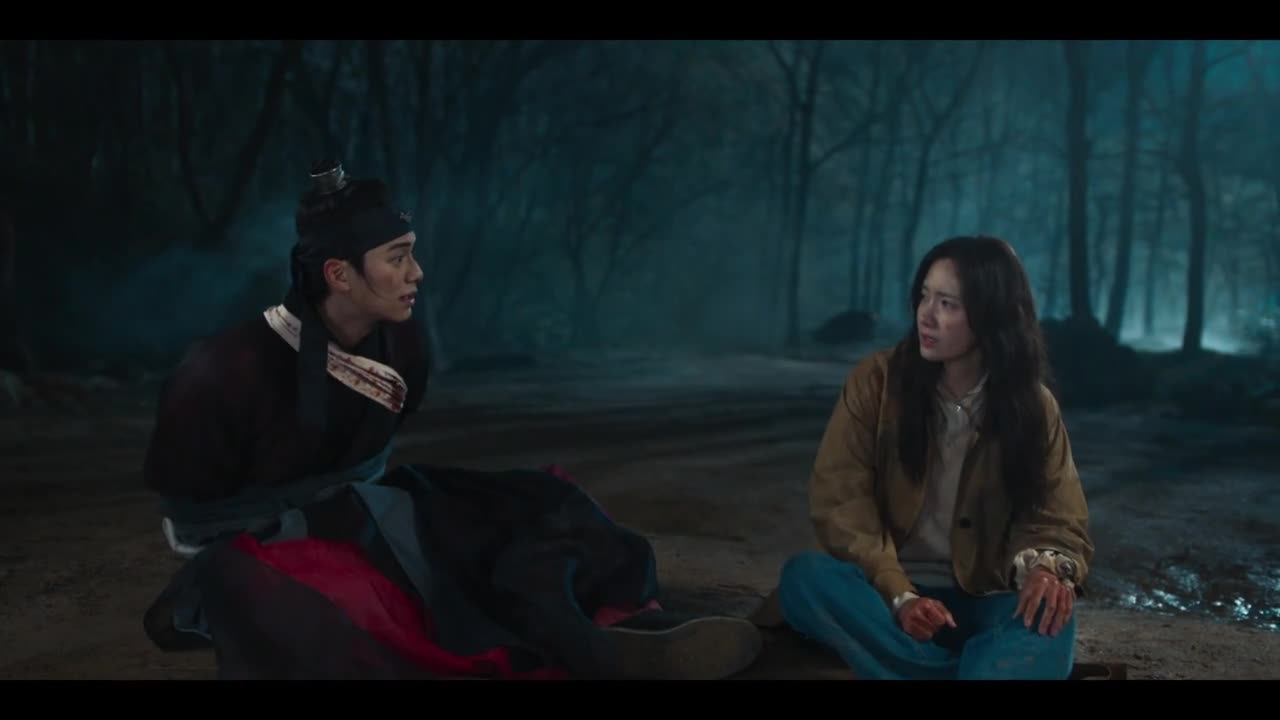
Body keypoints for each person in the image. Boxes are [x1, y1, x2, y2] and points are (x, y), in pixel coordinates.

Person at [140, 160, 762, 680]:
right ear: (339, 274)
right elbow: (193, 522)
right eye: (397, 258)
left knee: (539, 503)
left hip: (370, 506)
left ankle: (617, 624)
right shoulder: (223, 371)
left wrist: (370, 510)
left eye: (412, 255)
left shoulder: (402, 343)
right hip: (265, 542)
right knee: (359, 603)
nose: (416, 274)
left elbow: (374, 464)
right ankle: (569, 650)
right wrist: (317, 521)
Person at [772, 235, 1093, 680]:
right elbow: (841, 501)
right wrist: (902, 597)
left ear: (991, 315)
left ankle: (921, 669)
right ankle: (969, 670)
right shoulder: (876, 382)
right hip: (885, 595)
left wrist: (1045, 569)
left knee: (1050, 616)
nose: (926, 314)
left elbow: (1059, 514)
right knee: (805, 578)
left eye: (947, 304)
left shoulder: (1034, 407)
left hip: (985, 596)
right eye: (924, 296)